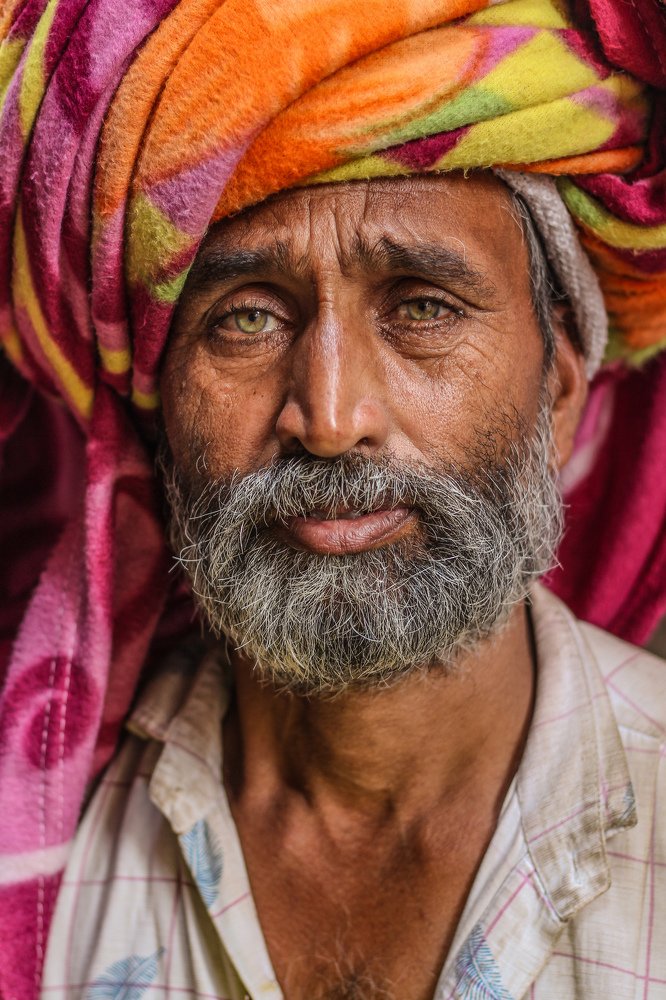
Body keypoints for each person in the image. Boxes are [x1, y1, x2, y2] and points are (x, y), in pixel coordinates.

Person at [0, 1, 664, 998]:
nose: (331, 414)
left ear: (560, 386)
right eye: (250, 318)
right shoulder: (48, 829)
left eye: (423, 307)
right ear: (159, 406)